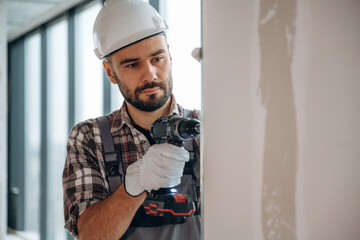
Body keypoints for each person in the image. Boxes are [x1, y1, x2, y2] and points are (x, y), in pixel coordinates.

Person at [62, 0, 201, 239]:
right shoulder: (89, 137)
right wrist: (133, 187)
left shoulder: (204, 129)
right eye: (132, 64)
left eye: (157, 58)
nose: (150, 74)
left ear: (169, 54)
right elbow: (90, 234)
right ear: (110, 73)